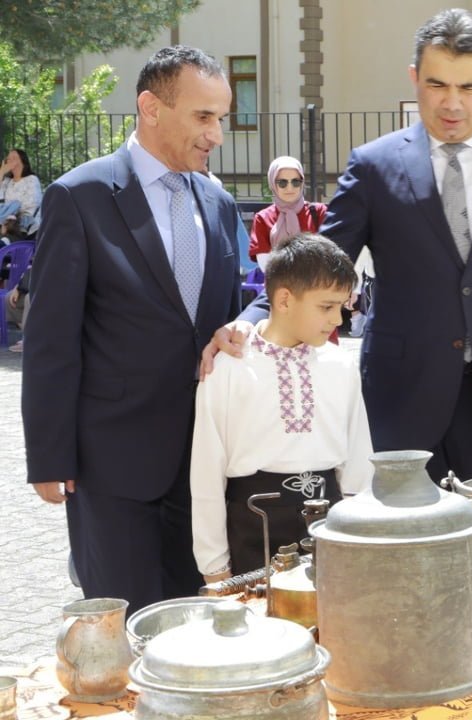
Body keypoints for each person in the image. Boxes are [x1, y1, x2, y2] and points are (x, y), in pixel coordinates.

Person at [207, 9, 472, 482]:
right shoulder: (373, 166)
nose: (452, 103)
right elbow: (323, 262)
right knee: (404, 553)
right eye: (437, 85)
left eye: (468, 87)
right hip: (402, 405)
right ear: (414, 78)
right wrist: (252, 319)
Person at [23, 45, 242, 613]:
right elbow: (52, 340)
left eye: (221, 117)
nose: (217, 134)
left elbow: (237, 304)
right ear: (150, 106)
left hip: (205, 464)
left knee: (197, 626)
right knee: (128, 626)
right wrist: (49, 456)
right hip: (113, 464)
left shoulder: (218, 203)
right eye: (203, 117)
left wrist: (246, 324)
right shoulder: (79, 197)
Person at [191, 234, 373, 582]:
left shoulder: (340, 364)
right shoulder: (227, 367)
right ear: (285, 299)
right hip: (253, 523)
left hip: (331, 524)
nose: (338, 319)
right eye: (326, 306)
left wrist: (361, 539)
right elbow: (206, 474)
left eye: (341, 306)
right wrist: (214, 567)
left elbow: (358, 463)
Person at [248, 156, 327, 266]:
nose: (290, 188)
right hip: (279, 282)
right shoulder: (263, 218)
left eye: (295, 182)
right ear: (272, 184)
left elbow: (329, 253)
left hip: (315, 281)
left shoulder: (319, 212)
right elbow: (265, 265)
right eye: (282, 183)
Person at [0, 149, 41, 238]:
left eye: (14, 158)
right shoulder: (7, 182)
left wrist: (9, 215)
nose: (9, 161)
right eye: (8, 159)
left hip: (23, 226)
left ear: (23, 162)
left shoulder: (31, 179)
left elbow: (31, 207)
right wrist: (1, 172)